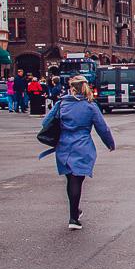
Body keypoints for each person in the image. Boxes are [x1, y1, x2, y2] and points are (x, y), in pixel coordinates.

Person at [41, 75, 115, 230]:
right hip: (82, 146)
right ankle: (73, 217)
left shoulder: (61, 103)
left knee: (70, 179)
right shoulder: (90, 106)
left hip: (64, 146)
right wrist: (110, 143)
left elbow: (46, 122)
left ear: (71, 88)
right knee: (77, 180)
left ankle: (74, 214)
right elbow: (102, 127)